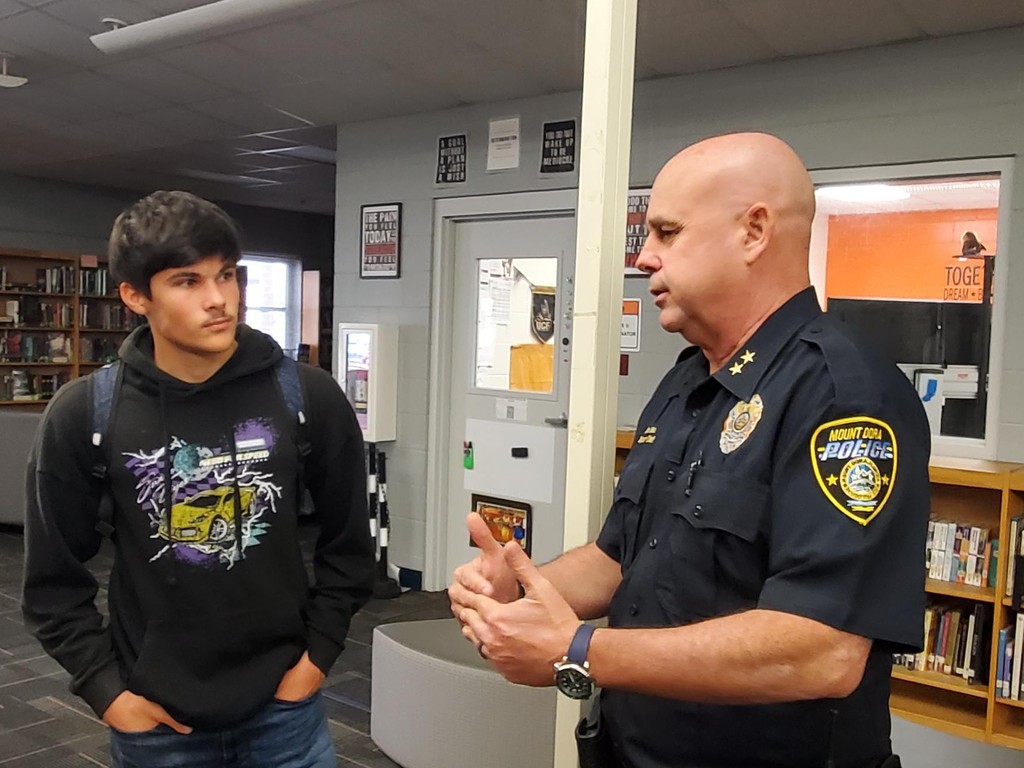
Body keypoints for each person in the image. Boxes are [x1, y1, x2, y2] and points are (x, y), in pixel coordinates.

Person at [449, 132, 930, 768]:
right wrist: (522, 586)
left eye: (667, 233)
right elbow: (621, 556)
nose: (644, 257)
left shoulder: (842, 394)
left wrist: (579, 649)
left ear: (754, 232)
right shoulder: (688, 380)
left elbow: (822, 649)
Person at [22, 191, 375, 768]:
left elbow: (350, 548)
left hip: (287, 709)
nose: (219, 300)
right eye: (188, 281)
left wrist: (316, 659)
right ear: (135, 296)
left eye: (228, 276)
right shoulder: (86, 413)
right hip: (156, 720)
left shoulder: (305, 395)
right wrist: (108, 695)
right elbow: (52, 584)